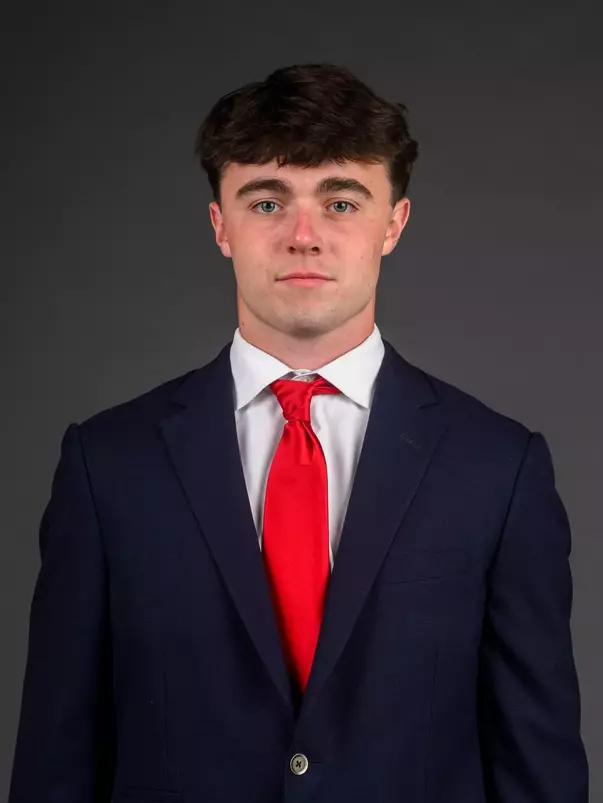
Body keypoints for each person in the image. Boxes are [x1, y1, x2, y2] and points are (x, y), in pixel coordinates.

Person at [8, 62, 589, 803]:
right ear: (220, 225)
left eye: (341, 201)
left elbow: (537, 770)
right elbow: (56, 760)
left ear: (394, 224)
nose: (303, 236)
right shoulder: (107, 464)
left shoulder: (498, 468)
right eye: (266, 201)